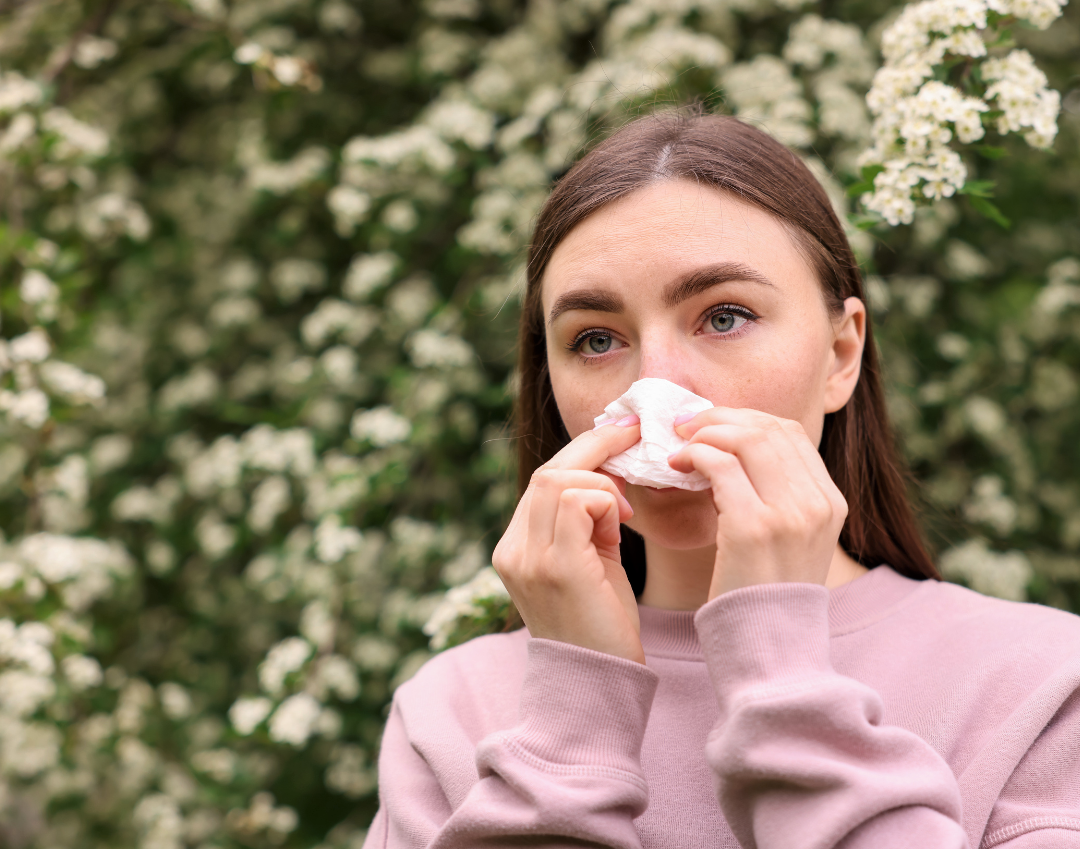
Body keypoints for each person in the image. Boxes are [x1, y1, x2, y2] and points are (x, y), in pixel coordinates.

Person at [362, 113, 1080, 849]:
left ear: (841, 352)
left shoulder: (1042, 689)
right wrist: (573, 721)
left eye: (725, 316)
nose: (656, 392)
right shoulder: (452, 713)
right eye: (596, 339)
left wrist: (779, 670)